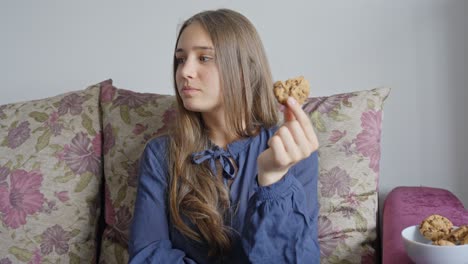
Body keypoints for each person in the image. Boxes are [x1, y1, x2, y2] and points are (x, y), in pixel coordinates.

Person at [129, 8, 320, 264]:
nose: (185, 71)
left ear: (243, 69)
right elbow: (149, 255)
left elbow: (296, 258)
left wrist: (273, 180)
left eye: (204, 58)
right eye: (180, 59)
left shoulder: (290, 149)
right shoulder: (161, 154)